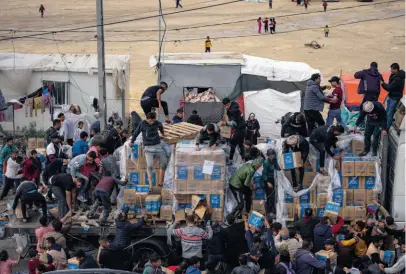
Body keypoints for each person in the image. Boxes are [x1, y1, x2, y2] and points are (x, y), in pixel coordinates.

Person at [131, 112, 168, 188]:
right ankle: (150, 184)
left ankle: (160, 181)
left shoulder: (157, 122)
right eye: (150, 121)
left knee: (164, 161)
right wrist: (132, 141)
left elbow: (161, 126)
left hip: (157, 146)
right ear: (147, 119)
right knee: (150, 165)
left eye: (153, 121)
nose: (151, 122)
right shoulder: (142, 123)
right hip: (148, 148)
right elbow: (136, 133)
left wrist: (163, 133)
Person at [226, 158, 264, 224]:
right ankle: (231, 218)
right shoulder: (251, 171)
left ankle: (247, 211)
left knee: (248, 192)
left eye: (259, 166)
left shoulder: (248, 164)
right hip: (235, 186)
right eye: (258, 166)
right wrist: (252, 186)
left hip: (238, 182)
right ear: (255, 165)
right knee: (241, 204)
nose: (258, 168)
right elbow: (246, 183)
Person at [220, 98, 246, 164]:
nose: (226, 107)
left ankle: (231, 160)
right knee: (240, 144)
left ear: (229, 103)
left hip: (239, 130)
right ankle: (243, 158)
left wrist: (225, 123)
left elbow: (234, 123)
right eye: (225, 106)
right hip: (243, 129)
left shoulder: (233, 111)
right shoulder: (235, 107)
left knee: (233, 144)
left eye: (226, 105)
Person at [381, 63, 405, 129]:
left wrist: (382, 84)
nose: (390, 70)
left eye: (392, 69)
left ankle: (386, 128)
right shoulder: (394, 75)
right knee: (388, 110)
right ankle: (385, 124)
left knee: (390, 113)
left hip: (395, 98)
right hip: (391, 96)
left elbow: (389, 87)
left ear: (396, 69)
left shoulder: (398, 79)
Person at [262, 148, 280, 214]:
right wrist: (267, 182)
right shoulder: (266, 162)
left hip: (273, 179)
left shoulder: (274, 160)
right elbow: (264, 174)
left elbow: (277, 167)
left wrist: (281, 170)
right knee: (270, 196)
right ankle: (269, 211)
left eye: (272, 155)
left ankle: (273, 209)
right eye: (270, 156)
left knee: (274, 195)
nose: (271, 157)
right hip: (267, 180)